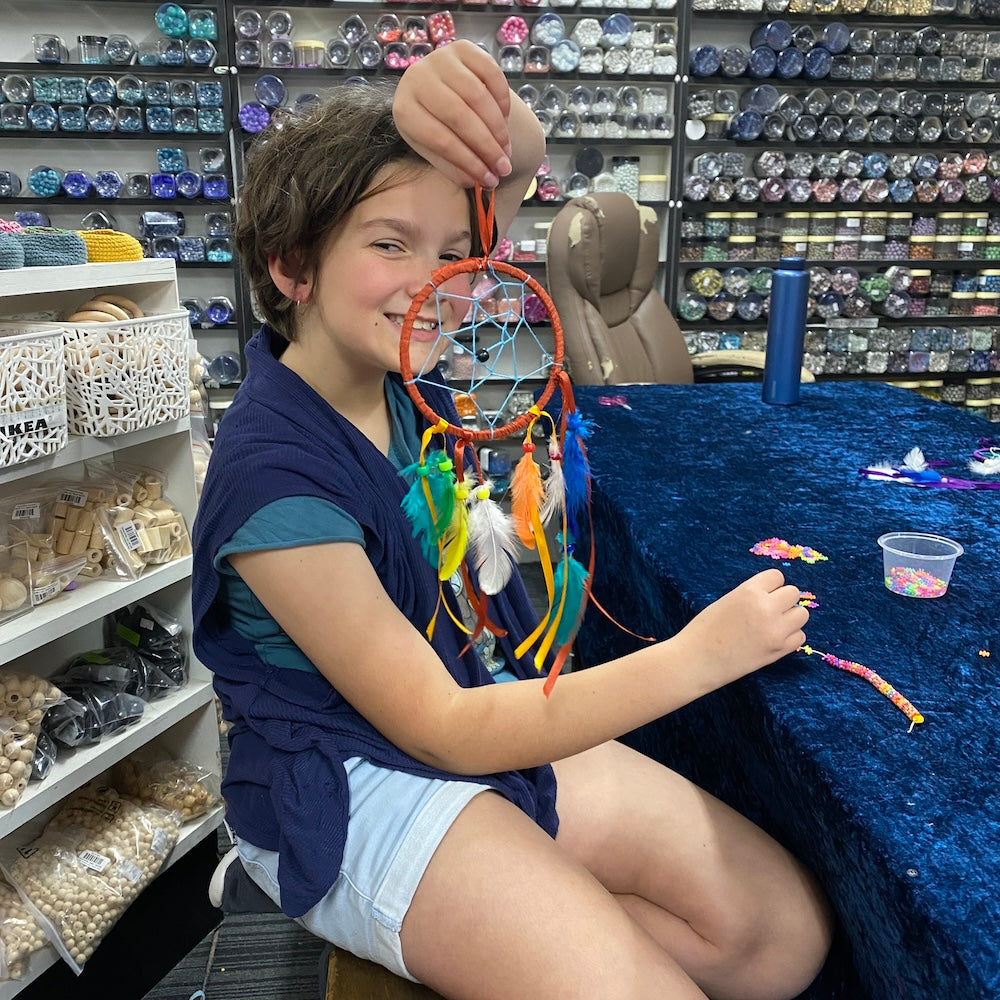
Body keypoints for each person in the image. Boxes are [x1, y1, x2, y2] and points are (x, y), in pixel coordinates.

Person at [193, 40, 833, 1000]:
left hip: (454, 707)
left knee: (778, 940)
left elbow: (515, 166)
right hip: (350, 781)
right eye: (387, 243)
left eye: (452, 253)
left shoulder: (397, 375)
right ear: (293, 266)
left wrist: (476, 89)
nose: (433, 282)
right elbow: (447, 727)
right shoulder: (272, 483)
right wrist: (701, 654)